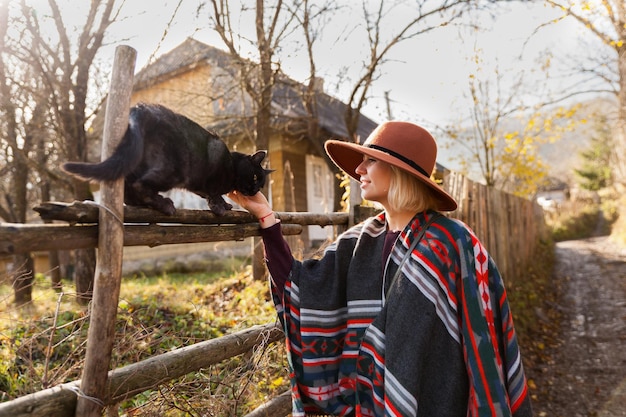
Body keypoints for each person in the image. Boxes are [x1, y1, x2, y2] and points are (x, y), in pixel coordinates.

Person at [229, 121, 533, 417]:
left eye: (370, 161)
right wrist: (266, 218)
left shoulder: (454, 242)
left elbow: (483, 341)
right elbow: (298, 289)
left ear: (400, 171)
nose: (359, 169)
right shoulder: (357, 242)